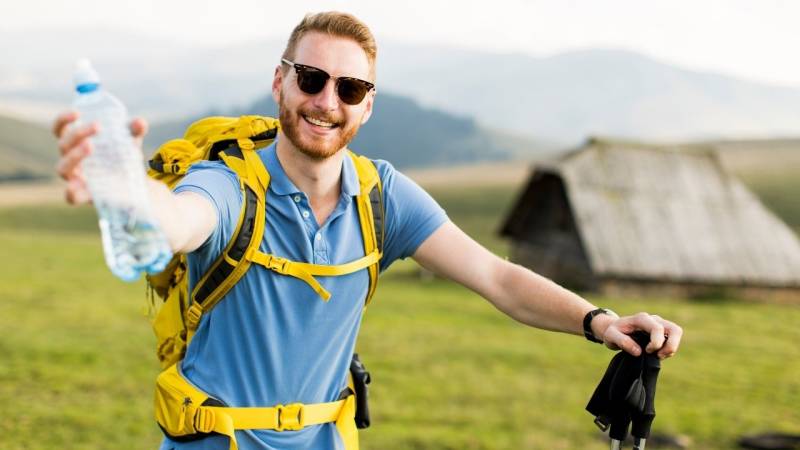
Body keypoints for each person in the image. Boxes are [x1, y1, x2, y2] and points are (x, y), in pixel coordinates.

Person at [53, 11, 683, 450]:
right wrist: (131, 194)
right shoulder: (229, 186)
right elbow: (180, 219)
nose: (327, 100)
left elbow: (498, 276)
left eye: (349, 87)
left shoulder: (382, 197)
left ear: (367, 104)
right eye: (311, 78)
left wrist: (601, 322)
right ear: (280, 81)